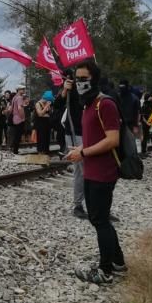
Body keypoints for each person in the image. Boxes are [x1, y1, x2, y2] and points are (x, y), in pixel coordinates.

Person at [67, 59, 126, 285]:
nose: (80, 83)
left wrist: (83, 153)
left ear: (95, 79)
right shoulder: (88, 105)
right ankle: (118, 262)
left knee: (100, 220)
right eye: (77, 79)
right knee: (99, 219)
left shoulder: (105, 104)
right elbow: (96, 138)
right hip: (91, 171)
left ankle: (105, 270)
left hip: (103, 173)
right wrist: (81, 149)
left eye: (84, 79)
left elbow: (112, 140)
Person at [54, 72, 87, 218]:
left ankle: (96, 204)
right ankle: (78, 204)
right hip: (74, 132)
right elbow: (57, 104)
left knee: (89, 169)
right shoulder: (70, 88)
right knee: (80, 169)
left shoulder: (93, 88)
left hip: (89, 132)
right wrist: (65, 89)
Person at [34, 91, 54, 156]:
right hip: (40, 123)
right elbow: (40, 114)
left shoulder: (47, 103)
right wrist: (46, 106)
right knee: (41, 138)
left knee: (47, 138)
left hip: (47, 123)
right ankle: (40, 151)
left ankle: (46, 151)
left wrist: (49, 107)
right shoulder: (38, 104)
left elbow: (50, 113)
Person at [9, 86, 27, 154]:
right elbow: (20, 108)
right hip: (19, 118)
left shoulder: (14, 97)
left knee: (15, 134)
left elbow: (11, 109)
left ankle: (14, 149)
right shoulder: (19, 98)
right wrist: (23, 117)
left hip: (14, 117)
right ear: (19, 90)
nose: (24, 90)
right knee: (18, 135)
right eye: (23, 89)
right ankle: (15, 150)